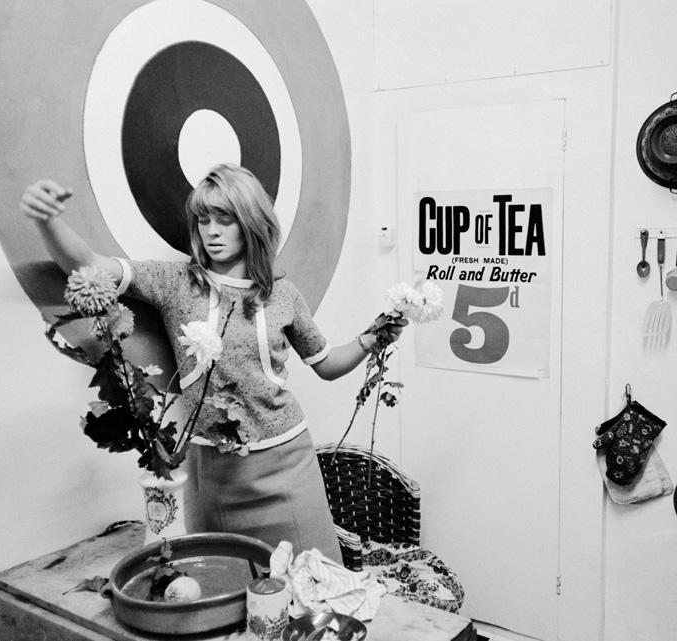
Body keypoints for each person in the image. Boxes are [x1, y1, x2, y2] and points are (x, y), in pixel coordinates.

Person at [20, 163, 405, 562]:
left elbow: (326, 364)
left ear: (251, 223)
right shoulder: (176, 283)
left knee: (311, 580)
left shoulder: (282, 295)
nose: (211, 230)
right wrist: (49, 222)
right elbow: (91, 265)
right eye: (203, 219)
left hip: (287, 463)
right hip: (212, 469)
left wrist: (369, 339)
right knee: (228, 580)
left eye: (225, 219)